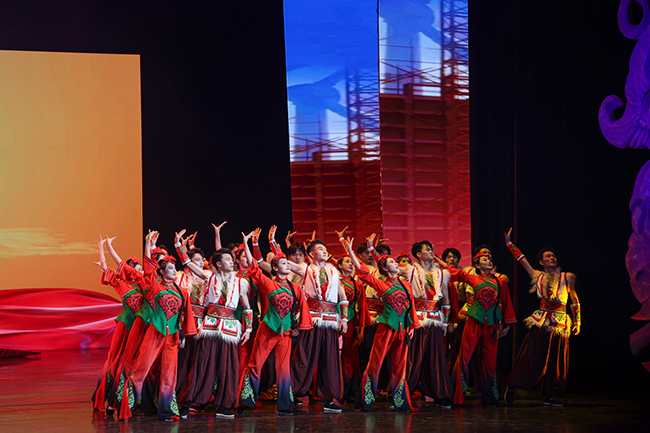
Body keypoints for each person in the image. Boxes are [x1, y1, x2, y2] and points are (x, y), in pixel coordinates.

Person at [118, 231, 197, 421]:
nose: (173, 270)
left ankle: (167, 410)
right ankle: (126, 406)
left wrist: (183, 335)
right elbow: (148, 269)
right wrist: (148, 245)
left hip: (172, 336)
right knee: (141, 369)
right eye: (169, 267)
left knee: (169, 373)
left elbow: (185, 314)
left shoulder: (182, 291)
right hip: (155, 332)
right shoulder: (156, 286)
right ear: (162, 272)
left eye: (174, 267)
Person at [178, 230, 252, 419]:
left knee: (228, 367)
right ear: (218, 264)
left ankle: (224, 405)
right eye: (227, 259)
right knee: (203, 364)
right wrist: (179, 245)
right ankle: (189, 402)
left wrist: (249, 328)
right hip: (210, 327)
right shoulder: (209, 278)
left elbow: (247, 307)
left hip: (229, 329)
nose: (231, 262)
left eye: (231, 259)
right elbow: (188, 264)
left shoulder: (240, 282)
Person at [503, 228, 580, 407]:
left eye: (553, 256)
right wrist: (509, 244)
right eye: (548, 256)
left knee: (556, 359)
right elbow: (522, 260)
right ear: (541, 262)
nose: (552, 258)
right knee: (532, 356)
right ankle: (513, 385)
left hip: (560, 322)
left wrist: (577, 322)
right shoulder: (537, 276)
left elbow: (574, 301)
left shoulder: (566, 278)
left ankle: (550, 395)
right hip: (542, 320)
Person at [239, 230, 313, 415]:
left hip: (285, 333)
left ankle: (285, 405)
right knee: (256, 364)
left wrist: (299, 328)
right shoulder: (269, 284)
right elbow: (254, 266)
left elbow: (302, 307)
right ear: (275, 267)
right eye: (283, 263)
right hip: (267, 330)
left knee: (283, 368)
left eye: (287, 263)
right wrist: (247, 244)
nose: (287, 265)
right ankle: (246, 400)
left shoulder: (295, 287)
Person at [343, 237, 420, 412]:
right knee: (375, 364)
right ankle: (366, 400)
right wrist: (350, 252)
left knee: (400, 365)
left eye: (395, 261)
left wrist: (412, 326)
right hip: (385, 328)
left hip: (403, 329)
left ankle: (400, 401)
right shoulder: (382, 285)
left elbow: (411, 307)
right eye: (392, 262)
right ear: (384, 269)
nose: (396, 264)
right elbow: (363, 272)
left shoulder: (406, 285)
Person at [433, 250, 516, 407]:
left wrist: (507, 324)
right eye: (484, 260)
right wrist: (438, 260)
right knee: (464, 358)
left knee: (490, 361)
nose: (488, 261)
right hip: (474, 322)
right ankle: (457, 395)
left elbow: (506, 302)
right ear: (477, 265)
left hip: (492, 324)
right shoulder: (474, 278)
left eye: (489, 259)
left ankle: (489, 397)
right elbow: (455, 272)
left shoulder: (500, 281)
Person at [287, 226, 348, 413]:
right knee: (304, 356)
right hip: (311, 319)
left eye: (325, 248)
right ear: (312, 254)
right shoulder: (306, 269)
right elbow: (285, 263)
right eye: (320, 249)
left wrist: (344, 319)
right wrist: (272, 244)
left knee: (330, 360)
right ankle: (293, 393)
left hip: (330, 320)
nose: (325, 251)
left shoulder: (334, 272)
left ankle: (330, 398)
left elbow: (342, 297)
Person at [91, 236, 144, 413]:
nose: (137, 272)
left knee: (133, 362)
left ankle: (125, 399)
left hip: (139, 327)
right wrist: (102, 247)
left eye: (139, 270)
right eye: (135, 269)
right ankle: (109, 398)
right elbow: (106, 268)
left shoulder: (145, 287)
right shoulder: (122, 285)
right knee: (114, 360)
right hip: (125, 325)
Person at [402, 241, 454, 409]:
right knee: (414, 357)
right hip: (417, 320)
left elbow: (446, 300)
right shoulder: (411, 271)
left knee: (436, 358)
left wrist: (445, 322)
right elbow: (391, 268)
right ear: (418, 254)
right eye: (427, 249)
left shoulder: (440, 274)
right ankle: (402, 394)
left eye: (431, 249)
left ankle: (441, 394)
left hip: (435, 320)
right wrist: (373, 251)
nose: (431, 252)